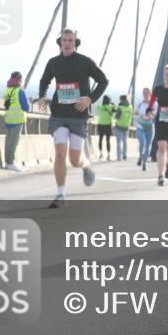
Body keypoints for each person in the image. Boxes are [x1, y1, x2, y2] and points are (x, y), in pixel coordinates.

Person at [37, 28, 108, 207]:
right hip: (59, 114)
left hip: (79, 116)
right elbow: (44, 80)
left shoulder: (85, 62)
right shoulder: (53, 62)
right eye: (64, 40)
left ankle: (86, 166)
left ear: (75, 43)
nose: (67, 43)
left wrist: (90, 98)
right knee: (60, 153)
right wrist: (42, 95)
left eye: (70, 40)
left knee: (75, 160)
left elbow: (103, 80)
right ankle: (60, 195)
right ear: (60, 43)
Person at [2, 70, 30, 172]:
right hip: (17, 119)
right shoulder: (20, 91)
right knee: (14, 142)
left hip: (8, 118)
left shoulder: (8, 91)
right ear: (19, 80)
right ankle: (11, 163)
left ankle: (7, 162)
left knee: (8, 141)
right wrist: (29, 102)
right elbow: (26, 107)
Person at [136, 87, 154, 170]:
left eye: (147, 92)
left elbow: (155, 115)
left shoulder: (154, 104)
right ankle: (141, 156)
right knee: (142, 142)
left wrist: (151, 116)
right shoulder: (140, 104)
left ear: (150, 94)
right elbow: (136, 114)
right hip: (140, 126)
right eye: (144, 93)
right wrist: (138, 116)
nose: (145, 94)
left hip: (150, 128)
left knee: (148, 145)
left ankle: (145, 162)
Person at [114, 94, 133, 161]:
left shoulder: (120, 108)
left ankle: (119, 157)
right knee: (125, 142)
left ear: (121, 99)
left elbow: (116, 117)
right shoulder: (130, 107)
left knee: (119, 142)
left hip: (119, 126)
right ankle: (124, 155)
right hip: (126, 126)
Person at [96, 95, 115, 160]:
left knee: (100, 139)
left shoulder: (100, 106)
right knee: (108, 140)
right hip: (108, 125)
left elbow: (97, 108)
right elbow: (114, 110)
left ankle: (101, 154)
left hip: (100, 124)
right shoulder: (111, 106)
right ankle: (108, 155)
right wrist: (112, 104)